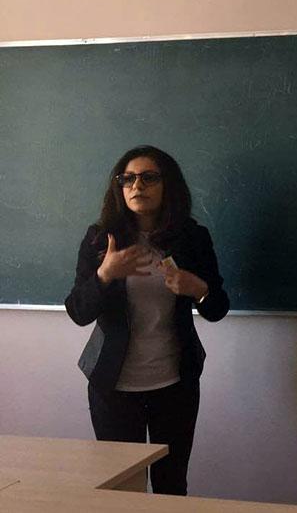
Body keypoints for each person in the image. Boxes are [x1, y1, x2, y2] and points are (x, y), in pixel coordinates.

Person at [64, 145, 229, 495]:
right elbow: (78, 312)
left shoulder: (192, 237)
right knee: (123, 489)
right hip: (113, 388)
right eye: (128, 179)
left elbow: (217, 308)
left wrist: (198, 289)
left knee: (172, 485)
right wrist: (105, 274)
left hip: (176, 385)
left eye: (149, 177)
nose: (137, 186)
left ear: (168, 185)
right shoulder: (100, 240)